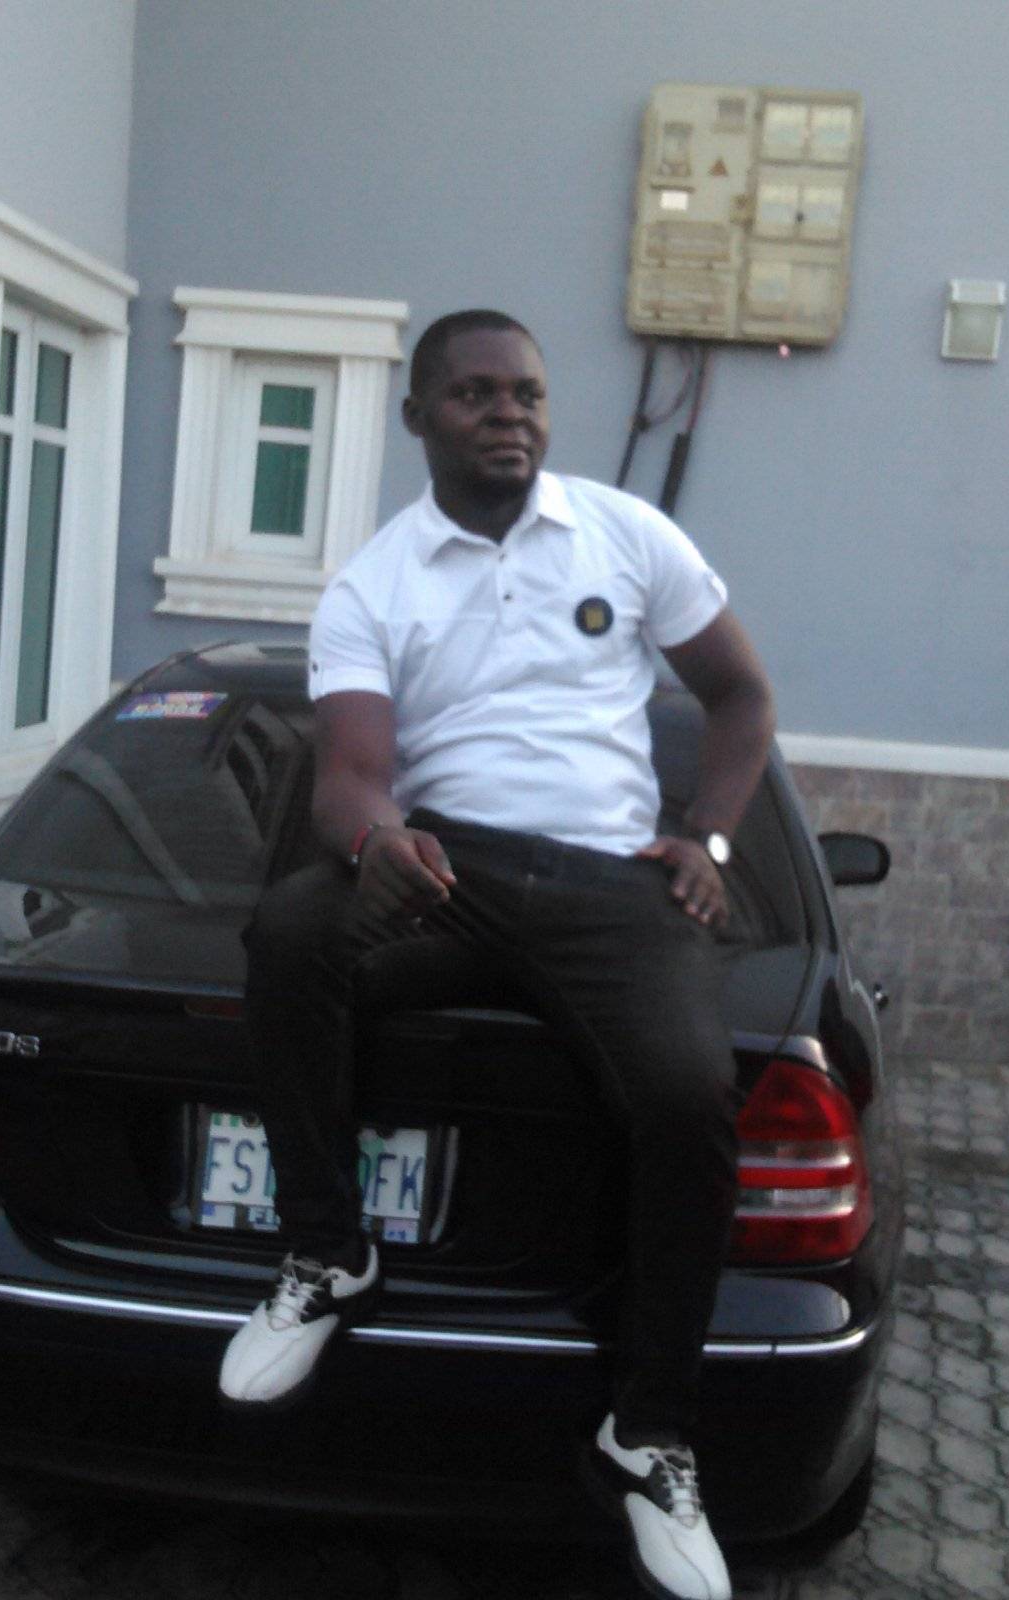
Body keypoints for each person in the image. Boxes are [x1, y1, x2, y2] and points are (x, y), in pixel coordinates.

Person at [221, 310, 775, 1600]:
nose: (508, 414)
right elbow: (349, 777)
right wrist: (378, 843)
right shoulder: (372, 584)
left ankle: (647, 1434)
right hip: (448, 875)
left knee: (690, 1096)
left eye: (526, 392)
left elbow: (741, 697)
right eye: (475, 394)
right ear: (419, 417)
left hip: (611, 889)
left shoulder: (628, 536)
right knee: (292, 930)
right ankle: (329, 1251)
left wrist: (710, 837)